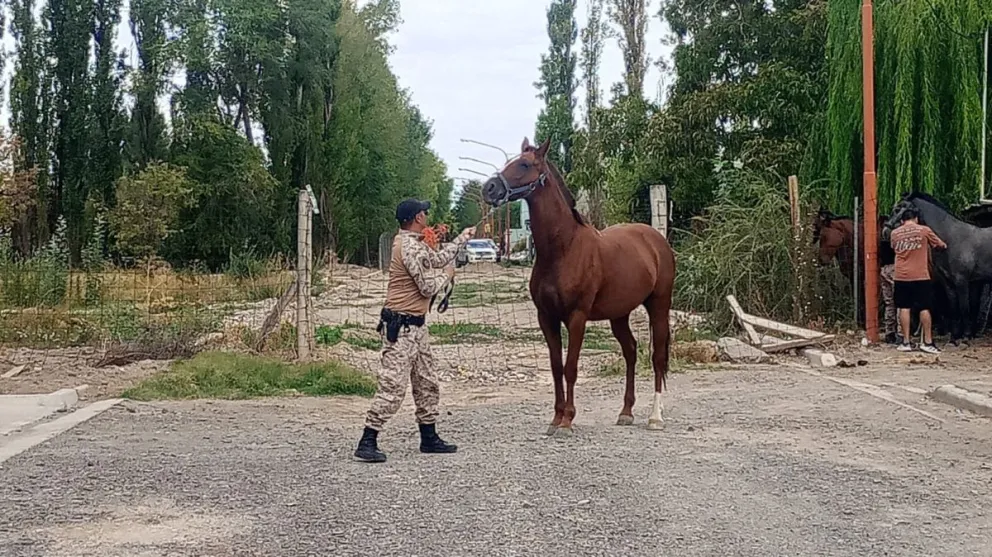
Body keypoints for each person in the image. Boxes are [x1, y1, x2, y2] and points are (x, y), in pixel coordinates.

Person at [354, 198, 475, 463]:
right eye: (424, 212)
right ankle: (368, 440)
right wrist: (447, 276)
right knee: (393, 387)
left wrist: (462, 239)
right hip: (402, 328)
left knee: (426, 382)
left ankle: (429, 437)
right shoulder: (409, 247)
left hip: (416, 328)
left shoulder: (413, 244)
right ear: (417, 217)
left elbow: (438, 257)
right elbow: (427, 288)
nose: (427, 215)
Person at [889, 206, 946, 353]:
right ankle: (927, 342)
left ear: (902, 221)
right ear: (916, 219)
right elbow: (940, 244)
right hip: (921, 275)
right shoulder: (924, 230)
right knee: (924, 308)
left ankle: (906, 342)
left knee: (904, 307)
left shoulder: (895, 233)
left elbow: (894, 248)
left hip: (901, 276)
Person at [878, 217, 899, 344]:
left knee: (889, 302)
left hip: (884, 270)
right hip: (895, 270)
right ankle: (901, 333)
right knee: (901, 302)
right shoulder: (896, 240)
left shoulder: (882, 241)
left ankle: (889, 331)